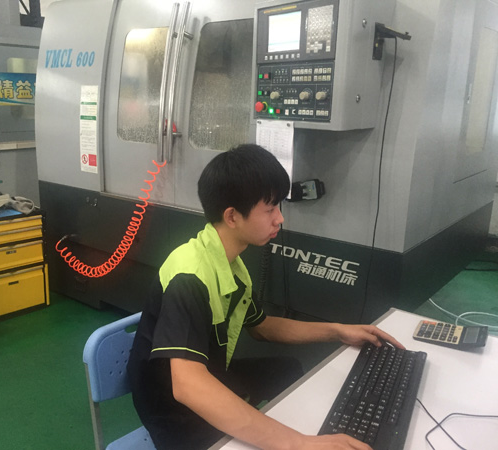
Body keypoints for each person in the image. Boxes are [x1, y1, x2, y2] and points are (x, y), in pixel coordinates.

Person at [127, 144, 404, 450]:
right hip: (170, 406)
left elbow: (262, 326)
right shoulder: (189, 276)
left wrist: (338, 331)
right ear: (232, 216)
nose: (279, 219)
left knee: (286, 371)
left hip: (208, 375)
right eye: (270, 209)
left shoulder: (231, 266)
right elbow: (187, 386)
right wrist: (298, 443)